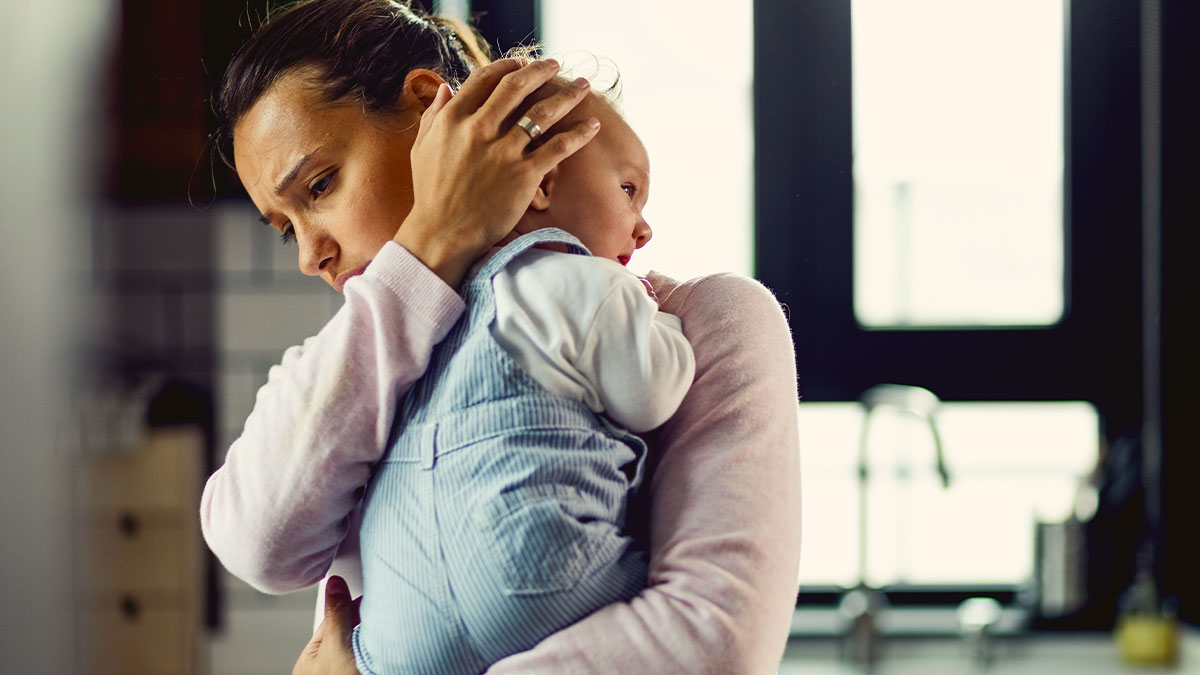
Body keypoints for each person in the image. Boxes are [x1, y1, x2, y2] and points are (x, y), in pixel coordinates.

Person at [200, 1, 801, 673]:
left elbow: (713, 644)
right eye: (286, 227)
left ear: (431, 106)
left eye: (320, 184)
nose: (310, 255)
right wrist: (427, 252)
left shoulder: (699, 321)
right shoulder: (340, 366)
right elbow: (262, 544)